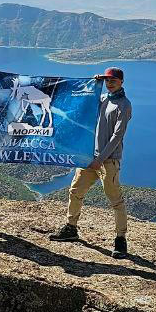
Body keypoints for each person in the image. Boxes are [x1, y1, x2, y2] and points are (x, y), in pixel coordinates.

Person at [49, 66, 132, 258]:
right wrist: (93, 84)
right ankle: (71, 228)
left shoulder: (124, 105)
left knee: (116, 200)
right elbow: (83, 103)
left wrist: (100, 160)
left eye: (113, 80)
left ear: (121, 82)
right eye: (107, 80)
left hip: (108, 161)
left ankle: (121, 240)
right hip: (89, 158)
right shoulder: (102, 99)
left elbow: (117, 136)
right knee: (75, 191)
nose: (109, 83)